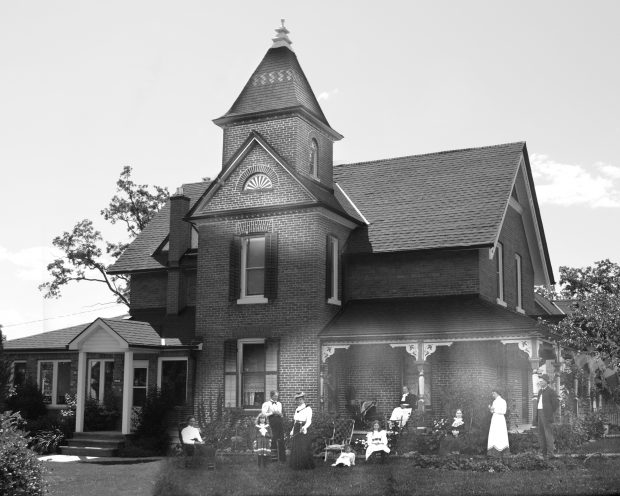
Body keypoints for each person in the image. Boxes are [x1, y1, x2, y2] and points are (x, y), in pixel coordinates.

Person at [535, 374, 559, 459]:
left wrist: (550, 412)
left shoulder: (551, 391)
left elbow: (556, 404)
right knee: (541, 434)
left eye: (541, 381)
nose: (540, 382)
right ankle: (543, 453)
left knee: (548, 434)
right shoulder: (540, 391)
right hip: (540, 414)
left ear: (546, 382)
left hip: (547, 415)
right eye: (540, 381)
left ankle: (550, 454)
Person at [289, 391, 314, 470]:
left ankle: (305, 465)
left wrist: (305, 427)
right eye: (297, 400)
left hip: (303, 427)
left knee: (304, 446)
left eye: (300, 399)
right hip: (297, 427)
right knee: (296, 446)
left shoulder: (308, 408)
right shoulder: (297, 409)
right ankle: (296, 465)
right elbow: (295, 421)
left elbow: (309, 421)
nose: (299, 401)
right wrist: (292, 431)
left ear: (303, 399)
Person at [262, 390, 286, 462]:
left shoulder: (279, 404)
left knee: (281, 438)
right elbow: (264, 414)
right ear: (271, 396)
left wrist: (280, 414)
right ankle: (273, 458)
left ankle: (282, 458)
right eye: (275, 396)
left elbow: (280, 413)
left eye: (277, 396)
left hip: (279, 421)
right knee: (273, 438)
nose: (276, 397)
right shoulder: (267, 404)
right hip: (272, 422)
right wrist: (272, 412)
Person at [487, 390, 509, 457]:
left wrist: (494, 410)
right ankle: (493, 453)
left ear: (496, 393)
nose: (492, 395)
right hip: (494, 419)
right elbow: (492, 411)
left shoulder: (503, 401)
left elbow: (504, 411)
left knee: (500, 433)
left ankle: (502, 452)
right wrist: (491, 409)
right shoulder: (494, 401)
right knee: (494, 433)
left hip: (500, 419)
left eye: (493, 394)